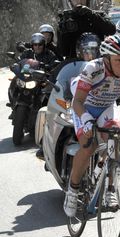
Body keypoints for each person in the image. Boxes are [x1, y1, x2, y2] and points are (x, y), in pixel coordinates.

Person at [63, 35, 120, 217]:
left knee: (114, 135)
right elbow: (77, 102)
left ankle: (110, 188)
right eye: (118, 60)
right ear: (106, 60)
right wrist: (87, 119)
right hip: (84, 106)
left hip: (106, 106)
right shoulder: (93, 69)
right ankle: (72, 191)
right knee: (89, 145)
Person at [35, 32, 101, 160]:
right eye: (86, 50)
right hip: (71, 104)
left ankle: (109, 159)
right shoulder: (69, 64)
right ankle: (45, 146)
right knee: (48, 112)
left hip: (94, 105)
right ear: (79, 50)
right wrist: (50, 86)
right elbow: (56, 78)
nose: (90, 54)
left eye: (94, 50)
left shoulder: (103, 65)